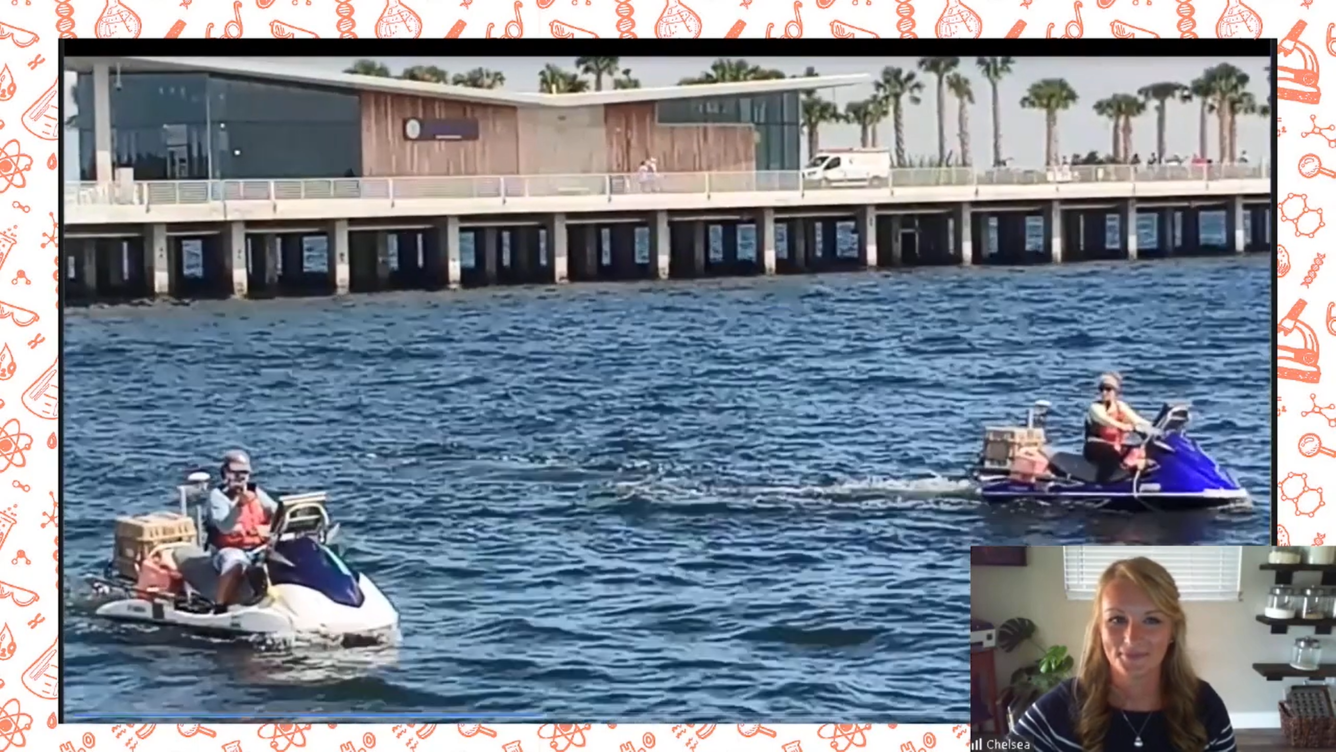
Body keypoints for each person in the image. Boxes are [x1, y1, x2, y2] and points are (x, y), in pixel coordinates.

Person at [1005, 557, 1236, 752]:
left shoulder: (1205, 706)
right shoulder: (1060, 707)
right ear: (1099, 629)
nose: (1132, 637)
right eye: (1117, 619)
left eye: (1152, 620)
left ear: (1173, 630)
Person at [205, 449, 278, 613]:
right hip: (229, 549)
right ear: (225, 472)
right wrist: (238, 505)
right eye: (234, 472)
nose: (240, 476)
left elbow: (275, 510)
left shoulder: (255, 491)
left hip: (259, 547)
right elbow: (224, 527)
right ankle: (220, 606)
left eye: (244, 472)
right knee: (235, 563)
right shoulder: (218, 496)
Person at [1084, 372, 1155, 477]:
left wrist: (1154, 427)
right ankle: (1105, 483)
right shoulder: (1095, 407)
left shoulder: (1120, 406)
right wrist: (1122, 426)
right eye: (1101, 389)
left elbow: (1136, 420)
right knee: (1112, 453)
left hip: (1116, 446)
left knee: (1142, 451)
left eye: (1108, 389)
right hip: (1095, 447)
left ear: (1115, 391)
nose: (1104, 392)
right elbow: (1105, 419)